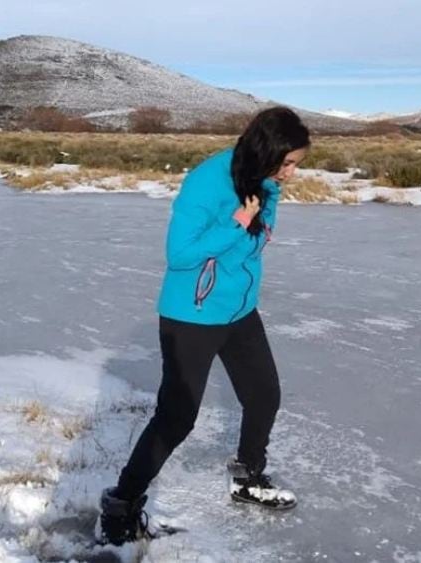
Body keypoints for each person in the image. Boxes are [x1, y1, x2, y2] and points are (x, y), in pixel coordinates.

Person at [99, 106, 311, 545]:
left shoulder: (266, 183)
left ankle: (248, 477)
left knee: (264, 395)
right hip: (191, 316)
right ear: (265, 150)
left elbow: (255, 243)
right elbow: (180, 255)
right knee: (176, 418)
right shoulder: (206, 181)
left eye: (296, 165)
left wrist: (250, 227)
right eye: (287, 163)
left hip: (239, 311)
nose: (290, 174)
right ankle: (121, 503)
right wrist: (237, 224)